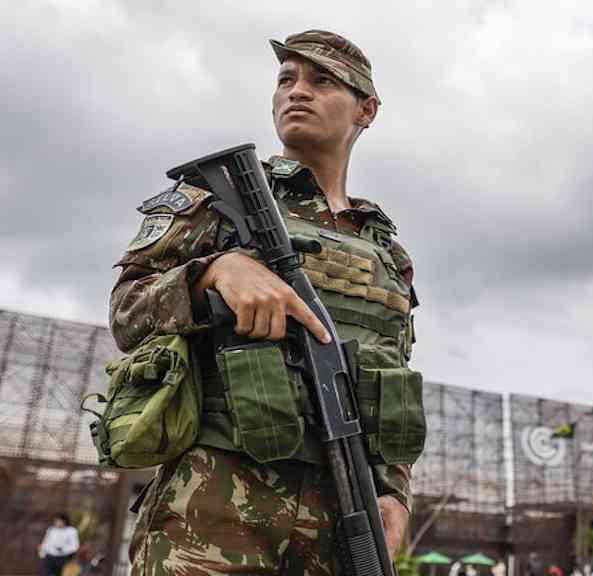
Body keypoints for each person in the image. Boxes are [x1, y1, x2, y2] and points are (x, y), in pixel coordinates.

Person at [111, 30, 424, 574]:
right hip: (214, 500)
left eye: (322, 80)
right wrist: (211, 272)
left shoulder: (386, 251)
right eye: (286, 80)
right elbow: (126, 312)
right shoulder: (215, 201)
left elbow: (391, 376)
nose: (296, 91)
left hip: (344, 509)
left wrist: (395, 491)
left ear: (366, 109)